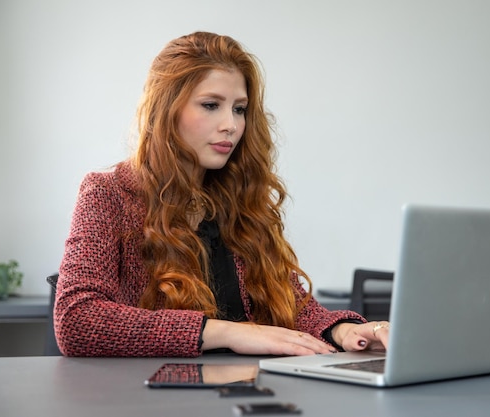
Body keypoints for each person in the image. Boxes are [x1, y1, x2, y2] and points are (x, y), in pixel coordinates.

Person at [54, 31, 389, 357]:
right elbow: (76, 320)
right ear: (166, 108)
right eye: (211, 105)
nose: (230, 124)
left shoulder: (239, 198)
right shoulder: (108, 192)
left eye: (239, 109)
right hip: (153, 396)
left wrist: (345, 331)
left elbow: (293, 306)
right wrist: (226, 331)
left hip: (244, 391)